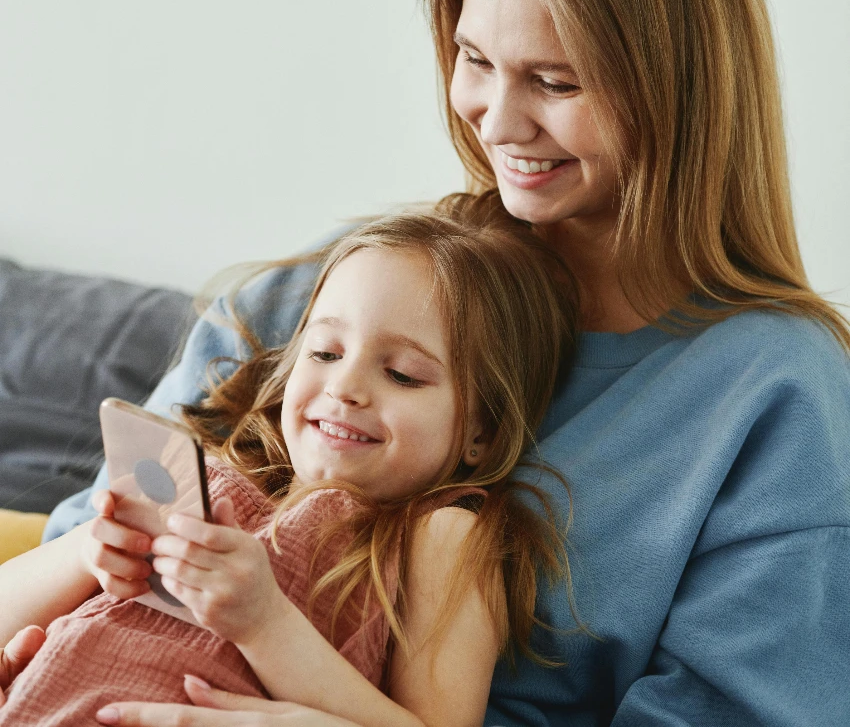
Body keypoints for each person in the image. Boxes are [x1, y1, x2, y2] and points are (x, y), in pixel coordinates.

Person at [5, 0, 850, 724]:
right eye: (476, 61)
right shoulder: (353, 287)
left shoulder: (776, 392)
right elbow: (87, 543)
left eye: (556, 82)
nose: (498, 122)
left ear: (681, 87)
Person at [0, 192, 579, 726]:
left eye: (402, 374)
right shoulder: (209, 479)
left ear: (482, 431)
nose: (344, 386)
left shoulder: (439, 536)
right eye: (325, 352)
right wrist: (91, 551)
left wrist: (264, 623)